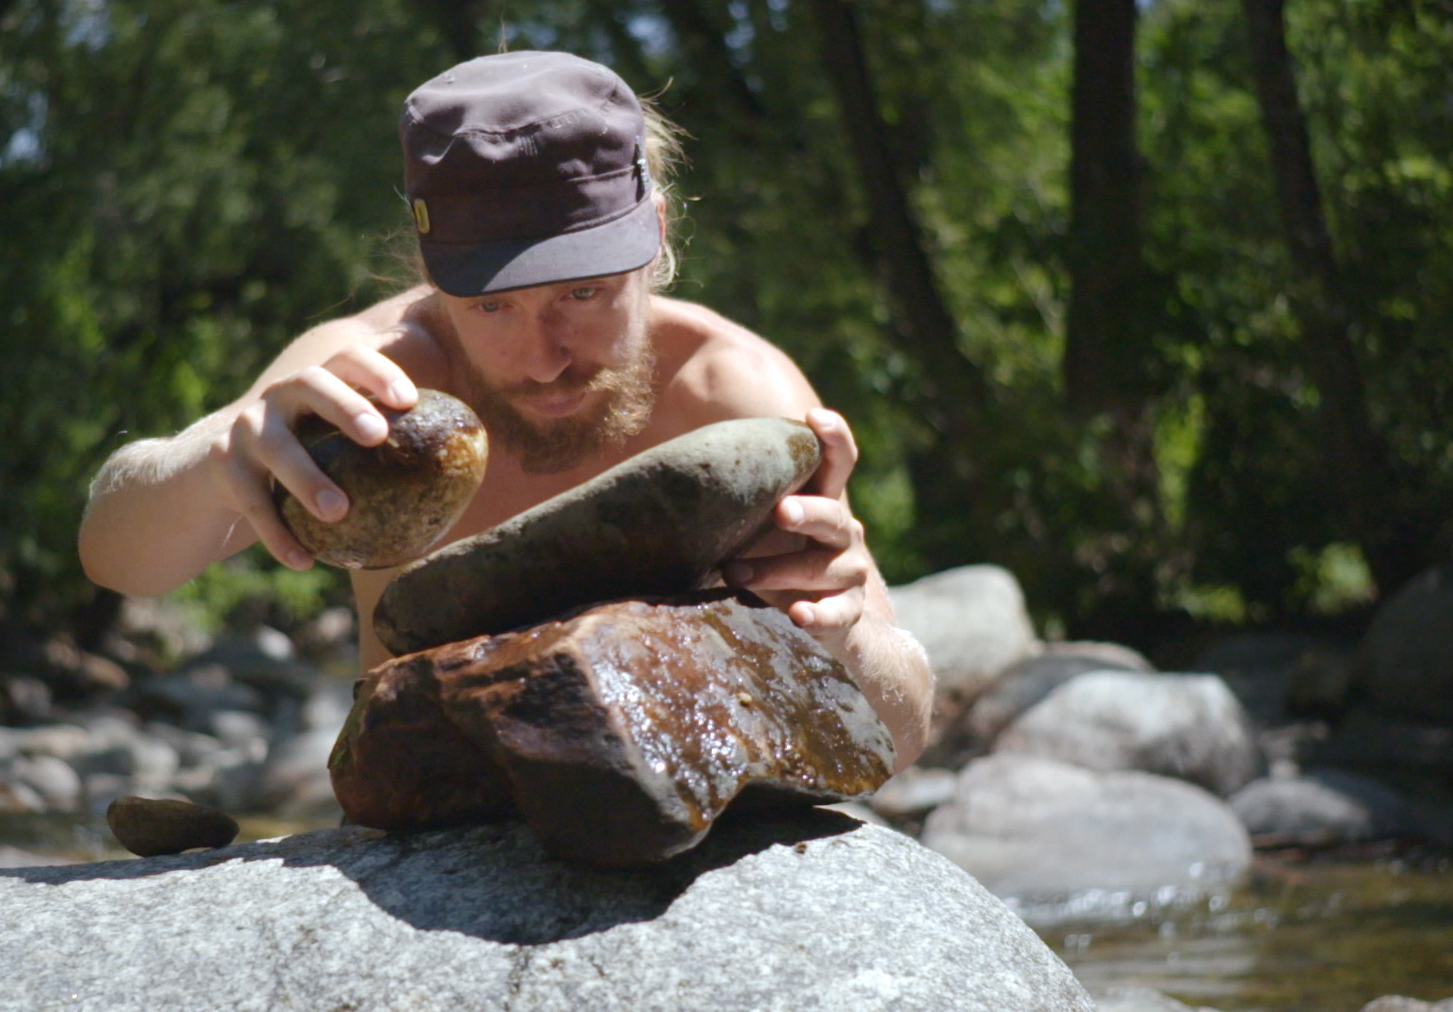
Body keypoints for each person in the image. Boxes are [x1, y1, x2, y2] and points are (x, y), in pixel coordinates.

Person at [78, 51, 931, 765]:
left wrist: (844, 636)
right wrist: (217, 461)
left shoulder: (731, 401)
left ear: (658, 231)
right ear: (432, 272)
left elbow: (904, 727)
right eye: (491, 305)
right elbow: (119, 558)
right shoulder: (367, 382)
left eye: (585, 292)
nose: (543, 357)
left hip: (686, 818)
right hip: (420, 822)